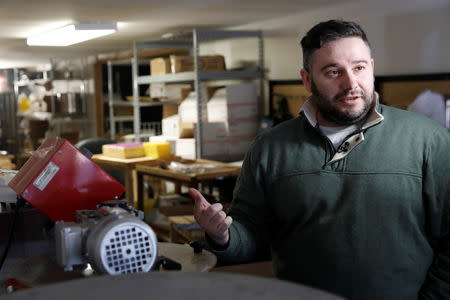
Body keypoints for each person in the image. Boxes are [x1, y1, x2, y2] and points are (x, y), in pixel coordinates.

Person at [189, 19, 450, 299]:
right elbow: (252, 233)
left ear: (371, 68)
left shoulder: (429, 140)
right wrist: (222, 236)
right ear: (307, 79)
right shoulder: (270, 149)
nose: (351, 83)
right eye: (333, 71)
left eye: (359, 68)